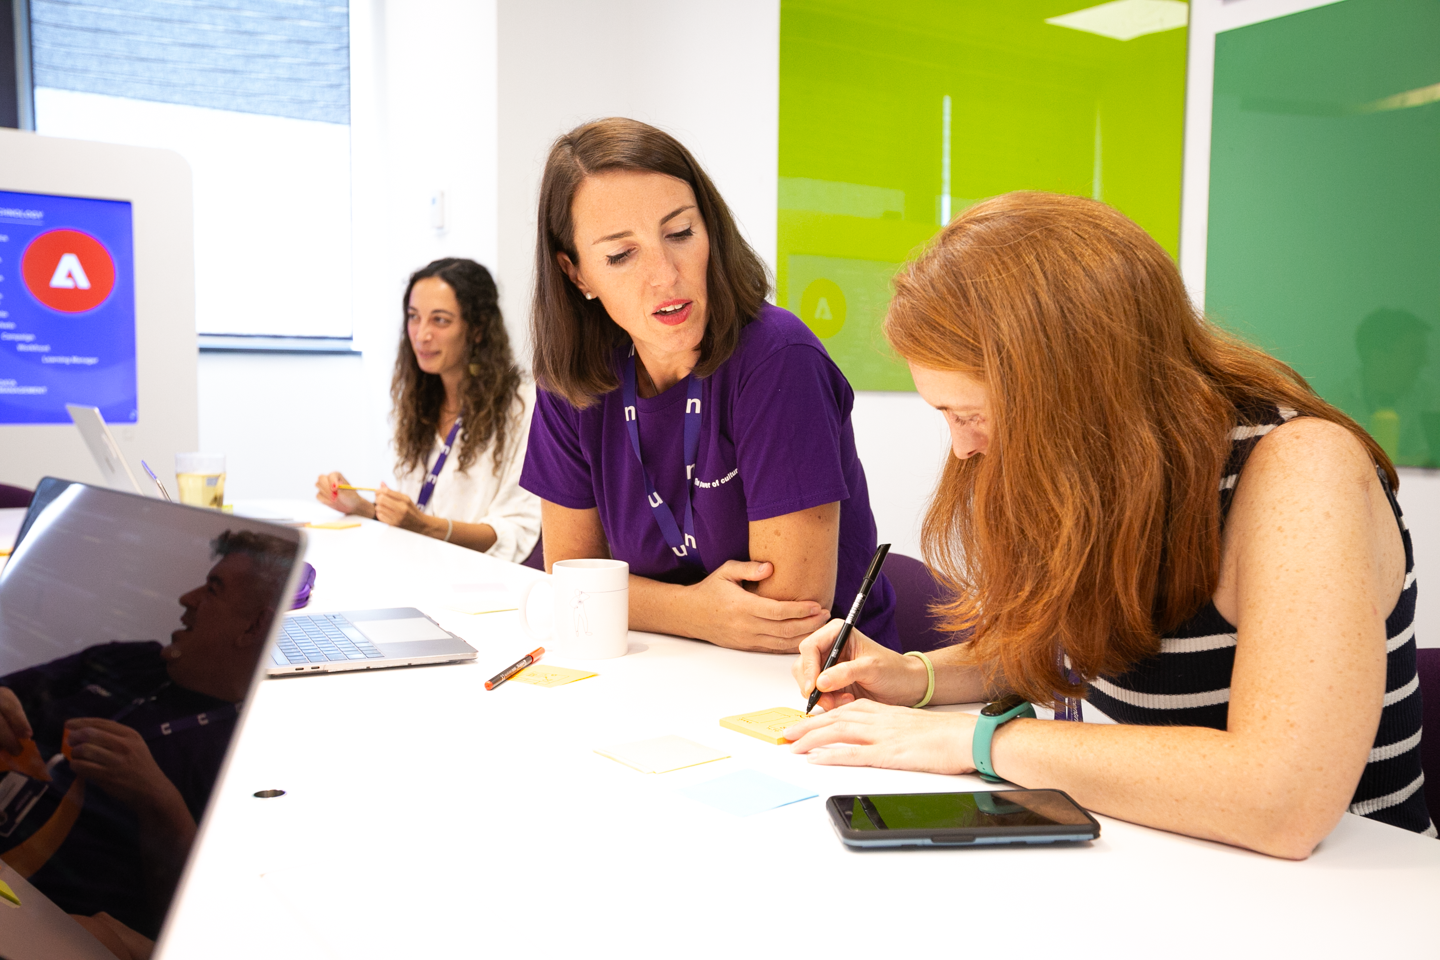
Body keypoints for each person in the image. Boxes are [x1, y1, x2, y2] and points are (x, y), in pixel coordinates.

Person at [785, 192, 1433, 856]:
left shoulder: (1301, 473)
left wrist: (978, 742)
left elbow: (1282, 802)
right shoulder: (1103, 470)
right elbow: (1073, 643)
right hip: (1180, 866)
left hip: (1356, 899)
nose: (963, 448)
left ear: (1079, 390)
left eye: (972, 414)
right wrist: (917, 676)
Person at [519, 118, 897, 655]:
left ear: (710, 231)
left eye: (680, 233)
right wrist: (695, 611)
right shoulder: (573, 377)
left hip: (815, 685)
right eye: (621, 255)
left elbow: (786, 619)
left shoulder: (778, 358)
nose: (666, 275)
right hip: (670, 666)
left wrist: (628, 598)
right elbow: (569, 579)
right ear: (577, 274)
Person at [0, 530, 294, 939]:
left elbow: (206, 920)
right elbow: (10, 691)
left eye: (212, 589)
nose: (186, 599)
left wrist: (157, 799)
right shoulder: (128, 661)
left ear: (254, 626)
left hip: (49, 924)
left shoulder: (243, 752)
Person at [317, 258, 541, 563]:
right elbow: (419, 518)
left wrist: (423, 526)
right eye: (413, 317)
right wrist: (362, 507)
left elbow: (515, 533)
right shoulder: (419, 403)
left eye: (440, 320)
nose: (421, 335)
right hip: (423, 573)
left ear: (477, 329)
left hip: (484, 589)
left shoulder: (524, 409)